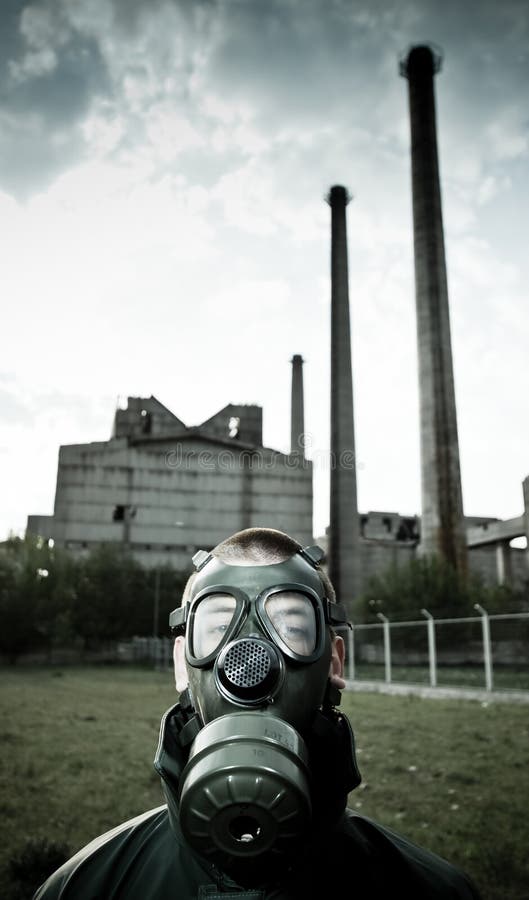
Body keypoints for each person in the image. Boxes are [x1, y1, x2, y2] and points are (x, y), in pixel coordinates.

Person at [34, 527, 482, 899]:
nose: (248, 660)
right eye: (216, 626)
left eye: (289, 626)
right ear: (180, 663)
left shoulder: (431, 891)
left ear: (334, 662)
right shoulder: (82, 887)